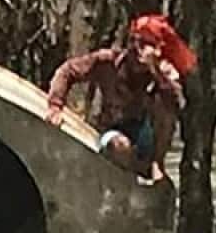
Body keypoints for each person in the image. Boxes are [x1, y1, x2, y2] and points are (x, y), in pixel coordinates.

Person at [45, 14, 197, 182]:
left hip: (145, 135)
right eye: (137, 42)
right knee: (118, 146)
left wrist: (155, 71)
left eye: (148, 44)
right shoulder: (108, 61)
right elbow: (67, 71)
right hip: (113, 131)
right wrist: (55, 105)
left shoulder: (163, 72)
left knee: (165, 107)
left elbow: (178, 103)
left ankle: (155, 163)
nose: (139, 50)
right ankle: (133, 169)